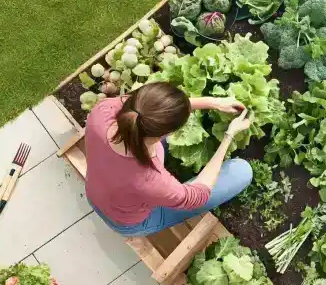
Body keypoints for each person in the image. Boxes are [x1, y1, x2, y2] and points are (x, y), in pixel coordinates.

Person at [84, 82, 253, 237]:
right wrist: (229, 136)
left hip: (95, 194)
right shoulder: (150, 179)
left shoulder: (102, 111)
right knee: (242, 171)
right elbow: (196, 196)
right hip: (126, 221)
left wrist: (213, 102)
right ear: (166, 133)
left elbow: (145, 109)